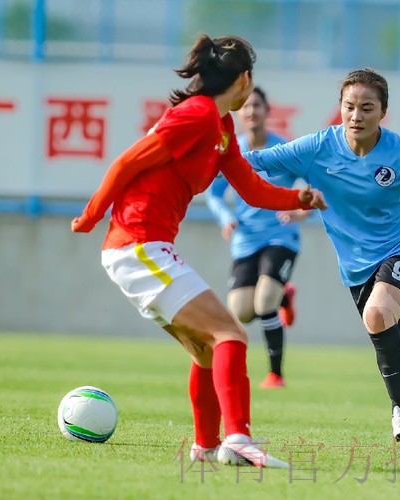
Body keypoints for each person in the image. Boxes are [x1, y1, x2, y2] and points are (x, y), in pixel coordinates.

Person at [70, 34, 327, 468]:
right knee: (232, 334)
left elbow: (251, 188)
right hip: (137, 244)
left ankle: (206, 447)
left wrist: (297, 198)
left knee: (208, 348)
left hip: (145, 247)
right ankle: (239, 439)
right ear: (244, 79)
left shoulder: (221, 127)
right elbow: (127, 163)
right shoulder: (196, 115)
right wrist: (91, 216)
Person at [245, 68, 400, 452]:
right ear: (340, 108)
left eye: (366, 108)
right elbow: (256, 160)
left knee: (376, 315)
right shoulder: (318, 147)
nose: (356, 116)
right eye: (349, 107)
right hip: (358, 271)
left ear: (383, 112)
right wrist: (204, 155)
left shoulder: (399, 153)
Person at [206, 87, 301, 389]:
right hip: (245, 239)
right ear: (238, 113)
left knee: (264, 302)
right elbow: (214, 193)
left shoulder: (283, 149)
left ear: (267, 110)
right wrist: (226, 218)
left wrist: (299, 210)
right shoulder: (232, 150)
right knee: (242, 312)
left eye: (257, 105)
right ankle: (284, 295)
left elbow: (313, 184)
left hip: (281, 237)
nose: (251, 111)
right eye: (245, 106)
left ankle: (276, 375)